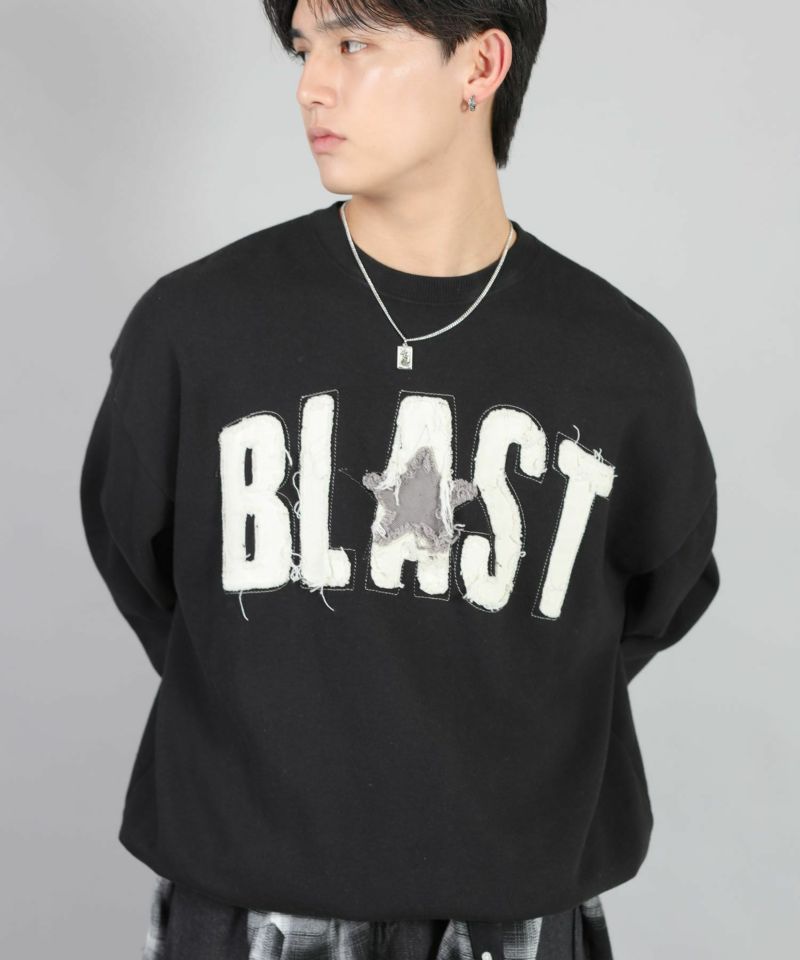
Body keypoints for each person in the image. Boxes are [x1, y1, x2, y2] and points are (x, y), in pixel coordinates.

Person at [78, 1, 720, 958]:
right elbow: (141, 561)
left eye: (354, 43)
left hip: (512, 913)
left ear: (481, 65)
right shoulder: (195, 330)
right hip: (247, 909)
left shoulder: (621, 363)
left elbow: (657, 595)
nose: (312, 85)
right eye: (304, 49)